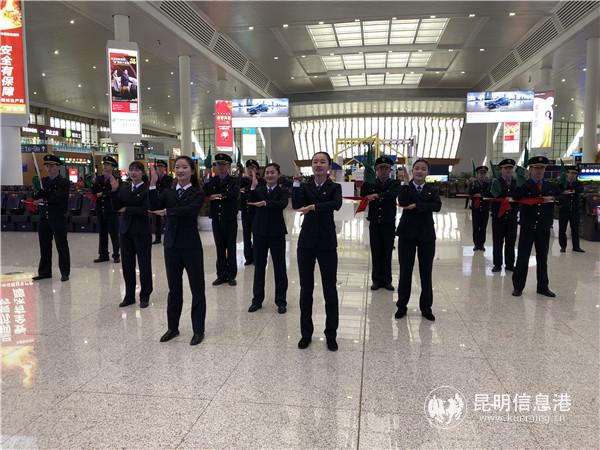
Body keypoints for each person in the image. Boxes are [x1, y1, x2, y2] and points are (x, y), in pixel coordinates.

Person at [149, 156, 206, 346]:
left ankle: (198, 330)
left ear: (192, 171)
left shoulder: (197, 193)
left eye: (184, 167)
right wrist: (152, 184)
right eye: (178, 167)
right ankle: (172, 328)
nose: (180, 170)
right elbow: (154, 206)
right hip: (171, 246)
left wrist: (168, 212)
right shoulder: (168, 192)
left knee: (197, 289)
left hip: (191, 246)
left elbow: (190, 210)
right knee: (174, 289)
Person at [292, 152, 342, 351]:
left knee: (330, 289)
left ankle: (331, 334)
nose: (318, 165)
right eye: (315, 162)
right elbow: (296, 205)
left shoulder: (335, 187)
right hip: (306, 243)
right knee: (306, 289)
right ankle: (306, 334)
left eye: (322, 162)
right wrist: (296, 182)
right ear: (311, 166)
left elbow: (336, 204)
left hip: (327, 243)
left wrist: (313, 206)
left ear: (329, 166)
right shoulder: (304, 186)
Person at [395, 159, 441, 322]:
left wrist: (417, 206)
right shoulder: (405, 187)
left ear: (428, 172)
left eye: (423, 169)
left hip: (426, 235)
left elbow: (437, 206)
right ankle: (401, 306)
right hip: (407, 234)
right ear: (412, 171)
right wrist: (406, 184)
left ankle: (426, 307)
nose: (419, 171)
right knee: (405, 271)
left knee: (426, 272)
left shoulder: (432, 189)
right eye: (416, 168)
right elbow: (403, 202)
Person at [512, 156, 561, 298]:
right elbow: (516, 197)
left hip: (543, 227)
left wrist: (553, 198)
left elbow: (561, 197)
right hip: (528, 226)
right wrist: (520, 182)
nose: (539, 171)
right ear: (530, 170)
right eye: (536, 168)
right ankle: (518, 287)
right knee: (523, 258)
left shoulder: (550, 186)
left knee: (542, 258)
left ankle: (543, 287)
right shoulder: (524, 185)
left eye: (542, 168)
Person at [247, 163, 289, 314]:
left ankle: (281, 301)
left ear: (278, 174)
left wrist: (265, 203)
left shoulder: (283, 190)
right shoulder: (258, 189)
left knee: (279, 267)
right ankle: (257, 300)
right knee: (259, 266)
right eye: (267, 173)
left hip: (277, 233)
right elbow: (250, 203)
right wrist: (252, 187)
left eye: (272, 172)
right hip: (260, 232)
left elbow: (282, 204)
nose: (269, 175)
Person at [110, 161, 153, 308]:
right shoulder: (124, 189)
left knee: (144, 265)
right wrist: (114, 191)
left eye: (137, 170)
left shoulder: (147, 190)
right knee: (127, 265)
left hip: (142, 232)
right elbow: (117, 207)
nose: (134, 173)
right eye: (131, 170)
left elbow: (145, 209)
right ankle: (129, 295)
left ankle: (145, 295)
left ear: (143, 173)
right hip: (125, 231)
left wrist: (127, 209)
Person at [360, 156, 400, 291]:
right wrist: (367, 183)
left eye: (386, 168)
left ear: (390, 170)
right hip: (375, 223)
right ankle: (376, 280)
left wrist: (377, 195)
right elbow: (363, 194)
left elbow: (392, 194)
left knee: (387, 252)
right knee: (376, 251)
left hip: (388, 223)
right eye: (381, 168)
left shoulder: (395, 183)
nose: (383, 171)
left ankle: (387, 281)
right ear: (376, 170)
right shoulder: (370, 184)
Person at [203, 153, 240, 286]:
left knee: (231, 247)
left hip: (229, 219)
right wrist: (206, 180)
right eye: (218, 164)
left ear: (229, 166)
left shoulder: (234, 180)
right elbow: (205, 193)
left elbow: (233, 194)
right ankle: (221, 275)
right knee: (219, 248)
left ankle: (231, 275)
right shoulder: (212, 181)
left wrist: (218, 196)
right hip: (217, 219)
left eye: (223, 164)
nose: (220, 167)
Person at [32, 154, 71, 282]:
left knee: (61, 245)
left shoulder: (63, 182)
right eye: (47, 166)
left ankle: (65, 272)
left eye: (52, 166)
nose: (49, 168)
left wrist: (44, 198)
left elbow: (57, 198)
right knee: (44, 246)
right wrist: (36, 191)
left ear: (58, 167)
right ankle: (44, 272)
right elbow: (36, 197)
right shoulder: (43, 181)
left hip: (57, 217)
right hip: (44, 217)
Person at [489, 159, 519, 273]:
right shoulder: (496, 182)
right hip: (498, 217)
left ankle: (510, 264)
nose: (508, 170)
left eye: (510, 168)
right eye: (506, 168)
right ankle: (497, 264)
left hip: (512, 217)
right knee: (498, 241)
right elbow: (489, 194)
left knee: (511, 241)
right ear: (501, 170)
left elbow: (519, 196)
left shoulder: (516, 182)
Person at [91, 156, 120, 263]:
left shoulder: (116, 179)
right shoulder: (99, 178)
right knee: (102, 233)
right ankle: (103, 254)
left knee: (114, 233)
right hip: (100, 208)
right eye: (104, 165)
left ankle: (116, 254)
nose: (105, 167)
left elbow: (116, 193)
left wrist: (103, 193)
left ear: (112, 167)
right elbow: (94, 192)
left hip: (111, 209)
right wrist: (93, 183)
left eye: (107, 165)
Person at [239, 159, 263, 265]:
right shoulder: (242, 181)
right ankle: (248, 257)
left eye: (253, 168)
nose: (250, 170)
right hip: (246, 212)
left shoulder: (261, 182)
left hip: (257, 213)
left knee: (257, 236)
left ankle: (256, 256)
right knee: (246, 236)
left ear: (257, 170)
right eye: (248, 168)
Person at [558, 168, 585, 253]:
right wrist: (563, 194)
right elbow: (557, 193)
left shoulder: (579, 183)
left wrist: (571, 191)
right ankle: (563, 246)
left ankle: (576, 247)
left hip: (574, 210)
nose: (573, 175)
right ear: (567, 174)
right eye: (571, 173)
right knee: (562, 229)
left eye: (574, 173)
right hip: (564, 210)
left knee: (575, 229)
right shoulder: (562, 183)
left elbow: (580, 189)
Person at [152, 160, 174, 245]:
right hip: (157, 202)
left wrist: (158, 191)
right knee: (156, 221)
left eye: (161, 166)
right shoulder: (154, 178)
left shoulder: (168, 178)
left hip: (166, 202)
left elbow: (166, 189)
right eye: (158, 166)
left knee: (167, 220)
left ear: (165, 168)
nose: (159, 168)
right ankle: (157, 238)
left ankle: (168, 237)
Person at [469, 166, 490, 251]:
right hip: (476, 209)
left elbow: (489, 194)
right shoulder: (473, 183)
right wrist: (472, 185)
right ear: (477, 174)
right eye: (480, 173)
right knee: (475, 227)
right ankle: (476, 244)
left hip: (485, 208)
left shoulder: (488, 184)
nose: (482, 175)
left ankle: (482, 244)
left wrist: (481, 195)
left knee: (483, 227)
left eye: (484, 173)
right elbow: (470, 193)